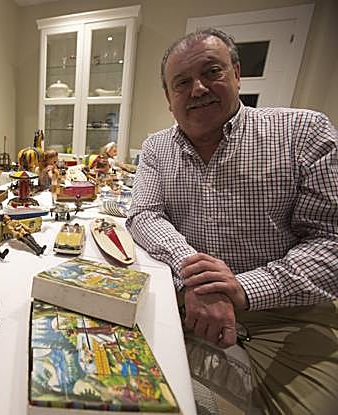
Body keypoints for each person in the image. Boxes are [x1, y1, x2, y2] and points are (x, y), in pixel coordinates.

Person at [126, 27, 337, 414]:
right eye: (182, 83)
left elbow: (331, 242)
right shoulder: (157, 147)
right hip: (187, 301)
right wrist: (199, 276)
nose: (198, 89)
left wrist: (243, 288)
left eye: (212, 72)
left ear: (237, 74)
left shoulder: (303, 132)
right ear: (169, 99)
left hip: (289, 314)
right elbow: (144, 214)